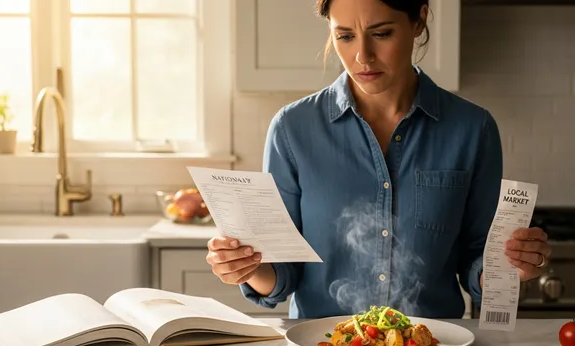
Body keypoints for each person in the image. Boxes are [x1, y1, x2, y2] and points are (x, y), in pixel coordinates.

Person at [206, 0, 551, 319]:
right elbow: (283, 273)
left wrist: (509, 267)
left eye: (382, 34)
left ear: (418, 20)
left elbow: (478, 259)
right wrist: (249, 268)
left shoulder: (473, 129)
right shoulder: (292, 129)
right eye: (344, 36)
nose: (362, 56)